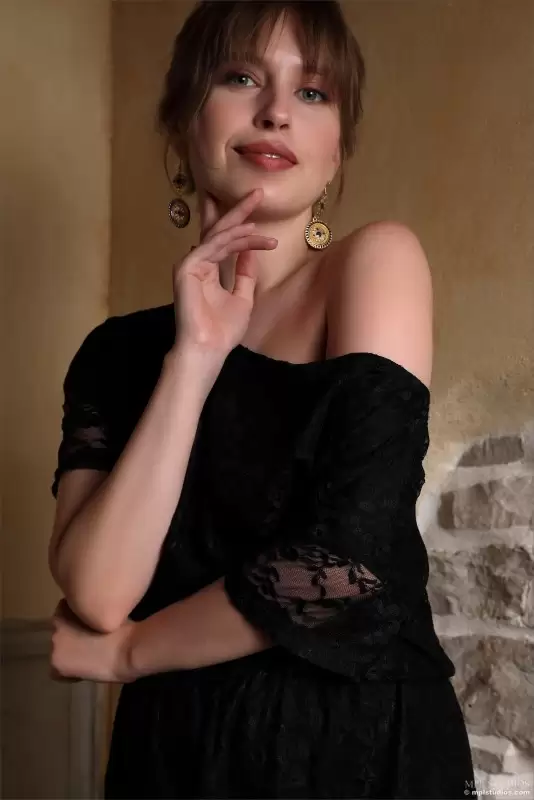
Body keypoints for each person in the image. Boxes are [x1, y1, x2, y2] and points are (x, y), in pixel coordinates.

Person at [48, 1, 477, 798]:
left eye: (313, 92)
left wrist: (131, 653)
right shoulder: (117, 352)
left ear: (336, 150)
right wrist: (195, 359)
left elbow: (345, 566)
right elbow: (98, 592)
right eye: (241, 78)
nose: (277, 110)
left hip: (347, 750)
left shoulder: (373, 264)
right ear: (184, 119)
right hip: (171, 757)